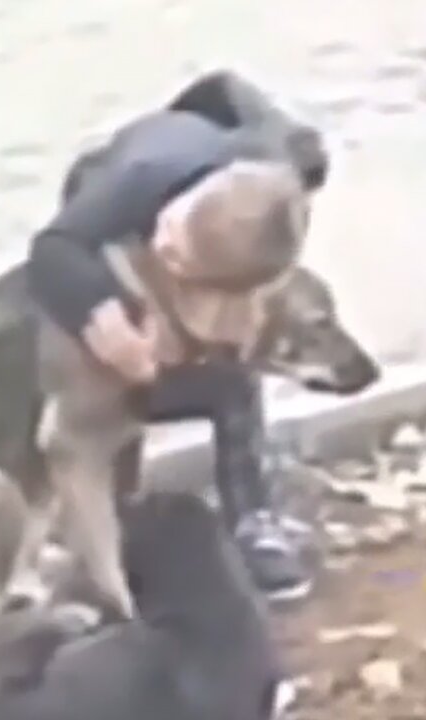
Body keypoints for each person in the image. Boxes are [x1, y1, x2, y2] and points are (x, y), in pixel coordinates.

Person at [28, 70, 326, 602]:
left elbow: (234, 90)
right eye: (172, 242)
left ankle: (255, 522)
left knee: (235, 379)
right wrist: (104, 317)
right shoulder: (138, 180)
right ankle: (108, 534)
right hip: (103, 214)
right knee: (113, 389)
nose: (167, 247)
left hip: (239, 200)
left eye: (179, 256)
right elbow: (52, 252)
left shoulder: (285, 163)